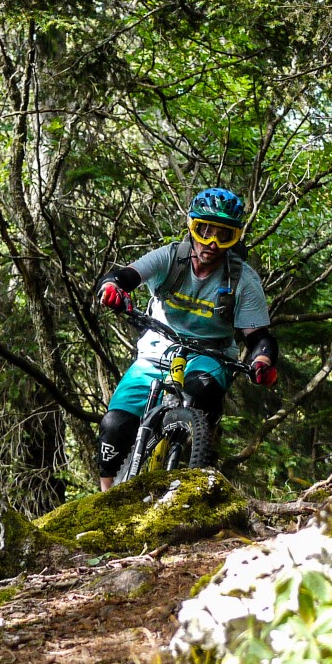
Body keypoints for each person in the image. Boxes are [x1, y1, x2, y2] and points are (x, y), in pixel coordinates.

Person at [92, 188, 280, 489]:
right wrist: (114, 289)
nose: (212, 243)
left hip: (211, 354)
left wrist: (262, 360)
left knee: (201, 393)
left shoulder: (243, 280)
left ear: (235, 238)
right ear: (192, 227)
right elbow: (123, 276)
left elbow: (258, 336)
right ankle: (104, 497)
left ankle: (192, 459)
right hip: (157, 351)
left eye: (224, 235)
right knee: (115, 426)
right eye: (204, 231)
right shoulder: (171, 258)